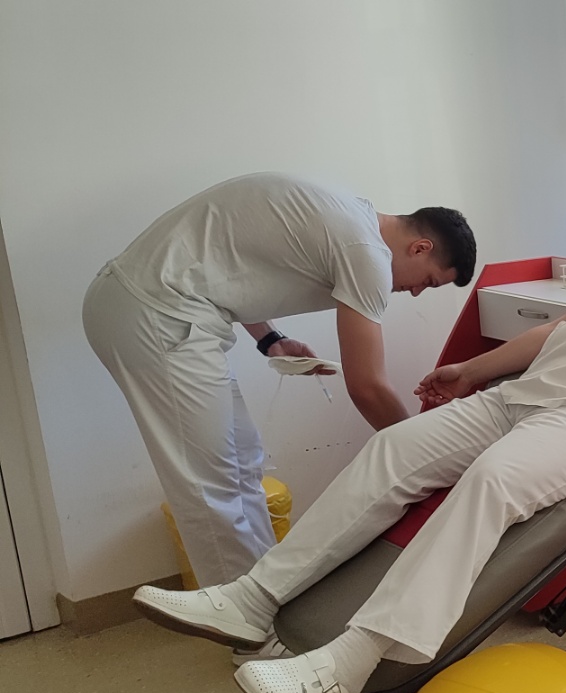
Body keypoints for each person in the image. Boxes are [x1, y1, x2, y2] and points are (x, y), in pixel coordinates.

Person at [131, 164, 566, 693]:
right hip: (528, 397)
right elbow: (560, 330)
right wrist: (473, 371)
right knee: (393, 448)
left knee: (494, 479)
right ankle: (252, 599)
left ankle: (352, 659)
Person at [85, 172, 477, 590]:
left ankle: (259, 594)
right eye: (428, 281)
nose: (416, 292)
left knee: (242, 463)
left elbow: (230, 261)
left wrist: (271, 339)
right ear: (421, 248)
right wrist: (424, 453)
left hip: (160, 307)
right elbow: (368, 386)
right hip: (156, 312)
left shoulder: (351, 217)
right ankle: (238, 619)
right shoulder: (367, 253)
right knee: (211, 487)